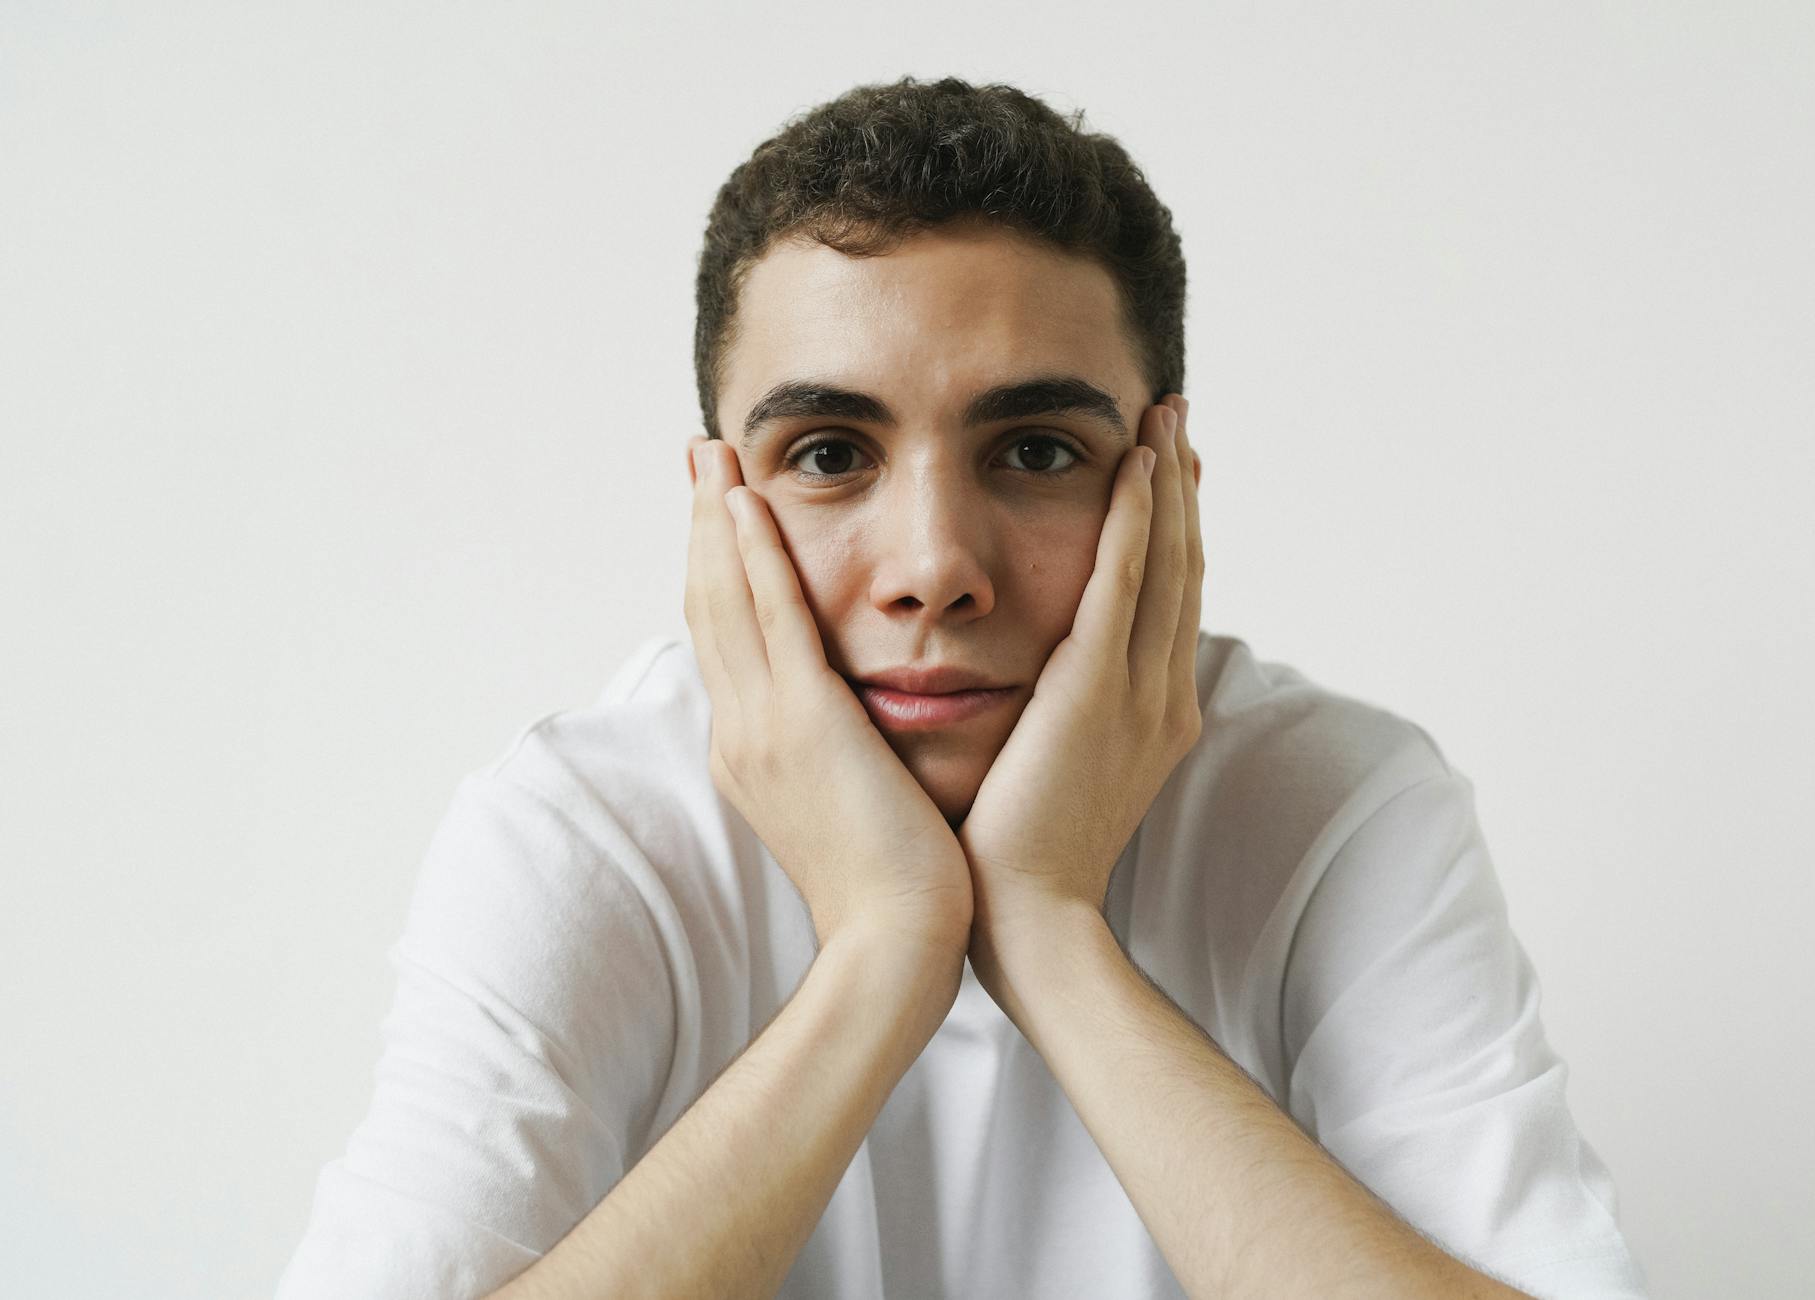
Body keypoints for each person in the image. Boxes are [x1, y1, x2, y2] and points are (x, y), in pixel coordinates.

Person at [275, 76, 1651, 1299]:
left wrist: (1047, 930)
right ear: (719, 501)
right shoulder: (586, 828)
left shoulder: (1337, 803)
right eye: (826, 453)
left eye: (1037, 452)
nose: (934, 569)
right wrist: (886, 945)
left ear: (1159, 485)